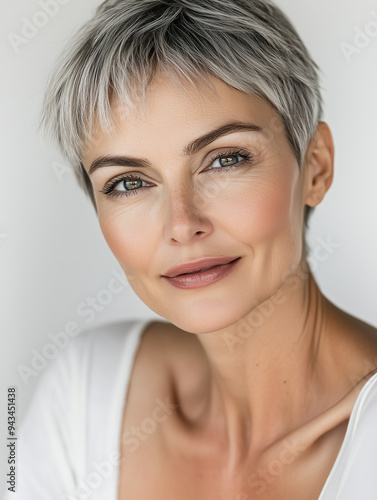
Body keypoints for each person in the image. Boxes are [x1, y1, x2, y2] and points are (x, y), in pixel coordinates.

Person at [4, 0, 377, 499]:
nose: (182, 224)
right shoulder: (85, 388)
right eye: (128, 183)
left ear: (315, 166)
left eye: (224, 159)